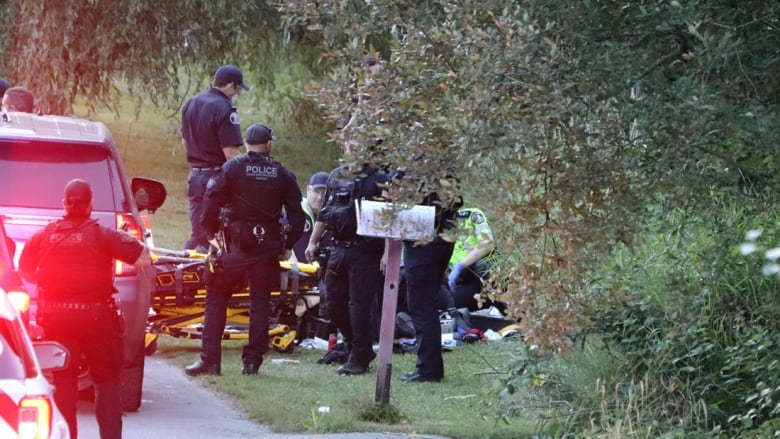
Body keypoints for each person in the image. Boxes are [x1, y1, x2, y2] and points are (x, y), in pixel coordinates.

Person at [19, 179, 147, 439]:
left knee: (64, 385)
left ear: (63, 203)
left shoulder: (43, 236)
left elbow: (26, 272)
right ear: (90, 205)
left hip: (56, 319)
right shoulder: (102, 234)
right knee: (107, 383)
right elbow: (143, 257)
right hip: (97, 320)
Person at [185, 123, 305, 376]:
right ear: (269, 144)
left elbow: (211, 200)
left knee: (216, 296)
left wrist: (208, 233)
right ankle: (252, 362)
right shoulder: (282, 173)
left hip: (233, 246)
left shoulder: (233, 168)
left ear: (247, 143)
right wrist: (288, 245)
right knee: (260, 303)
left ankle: (210, 360)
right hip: (267, 246)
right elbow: (296, 215)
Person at [304, 162, 390, 375]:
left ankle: (359, 356)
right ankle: (356, 346)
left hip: (365, 250)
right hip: (338, 248)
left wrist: (388, 252)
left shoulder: (378, 177)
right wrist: (313, 241)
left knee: (359, 307)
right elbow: (326, 211)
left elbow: (390, 216)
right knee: (334, 303)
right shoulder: (336, 175)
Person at [394, 170, 462, 383]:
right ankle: (430, 366)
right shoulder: (446, 171)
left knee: (421, 308)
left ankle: (428, 369)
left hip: (422, 243)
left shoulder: (412, 173)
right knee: (427, 305)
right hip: (443, 241)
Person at [181, 64, 249, 251]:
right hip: (216, 178)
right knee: (217, 234)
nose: (236, 93)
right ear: (230, 86)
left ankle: (186, 263)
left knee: (198, 232)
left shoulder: (192, 102)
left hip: (195, 176)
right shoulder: (225, 110)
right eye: (237, 89)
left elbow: (185, 142)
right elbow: (231, 155)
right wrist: (248, 169)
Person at [447, 207, 500, 311]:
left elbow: (487, 244)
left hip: (481, 275)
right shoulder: (436, 227)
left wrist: (460, 266)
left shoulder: (471, 216)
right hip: (459, 281)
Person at [292, 171, 329, 262]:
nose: (320, 197)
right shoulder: (296, 214)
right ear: (308, 190)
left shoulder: (334, 217)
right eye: (316, 192)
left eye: (325, 193)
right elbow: (303, 255)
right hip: (296, 270)